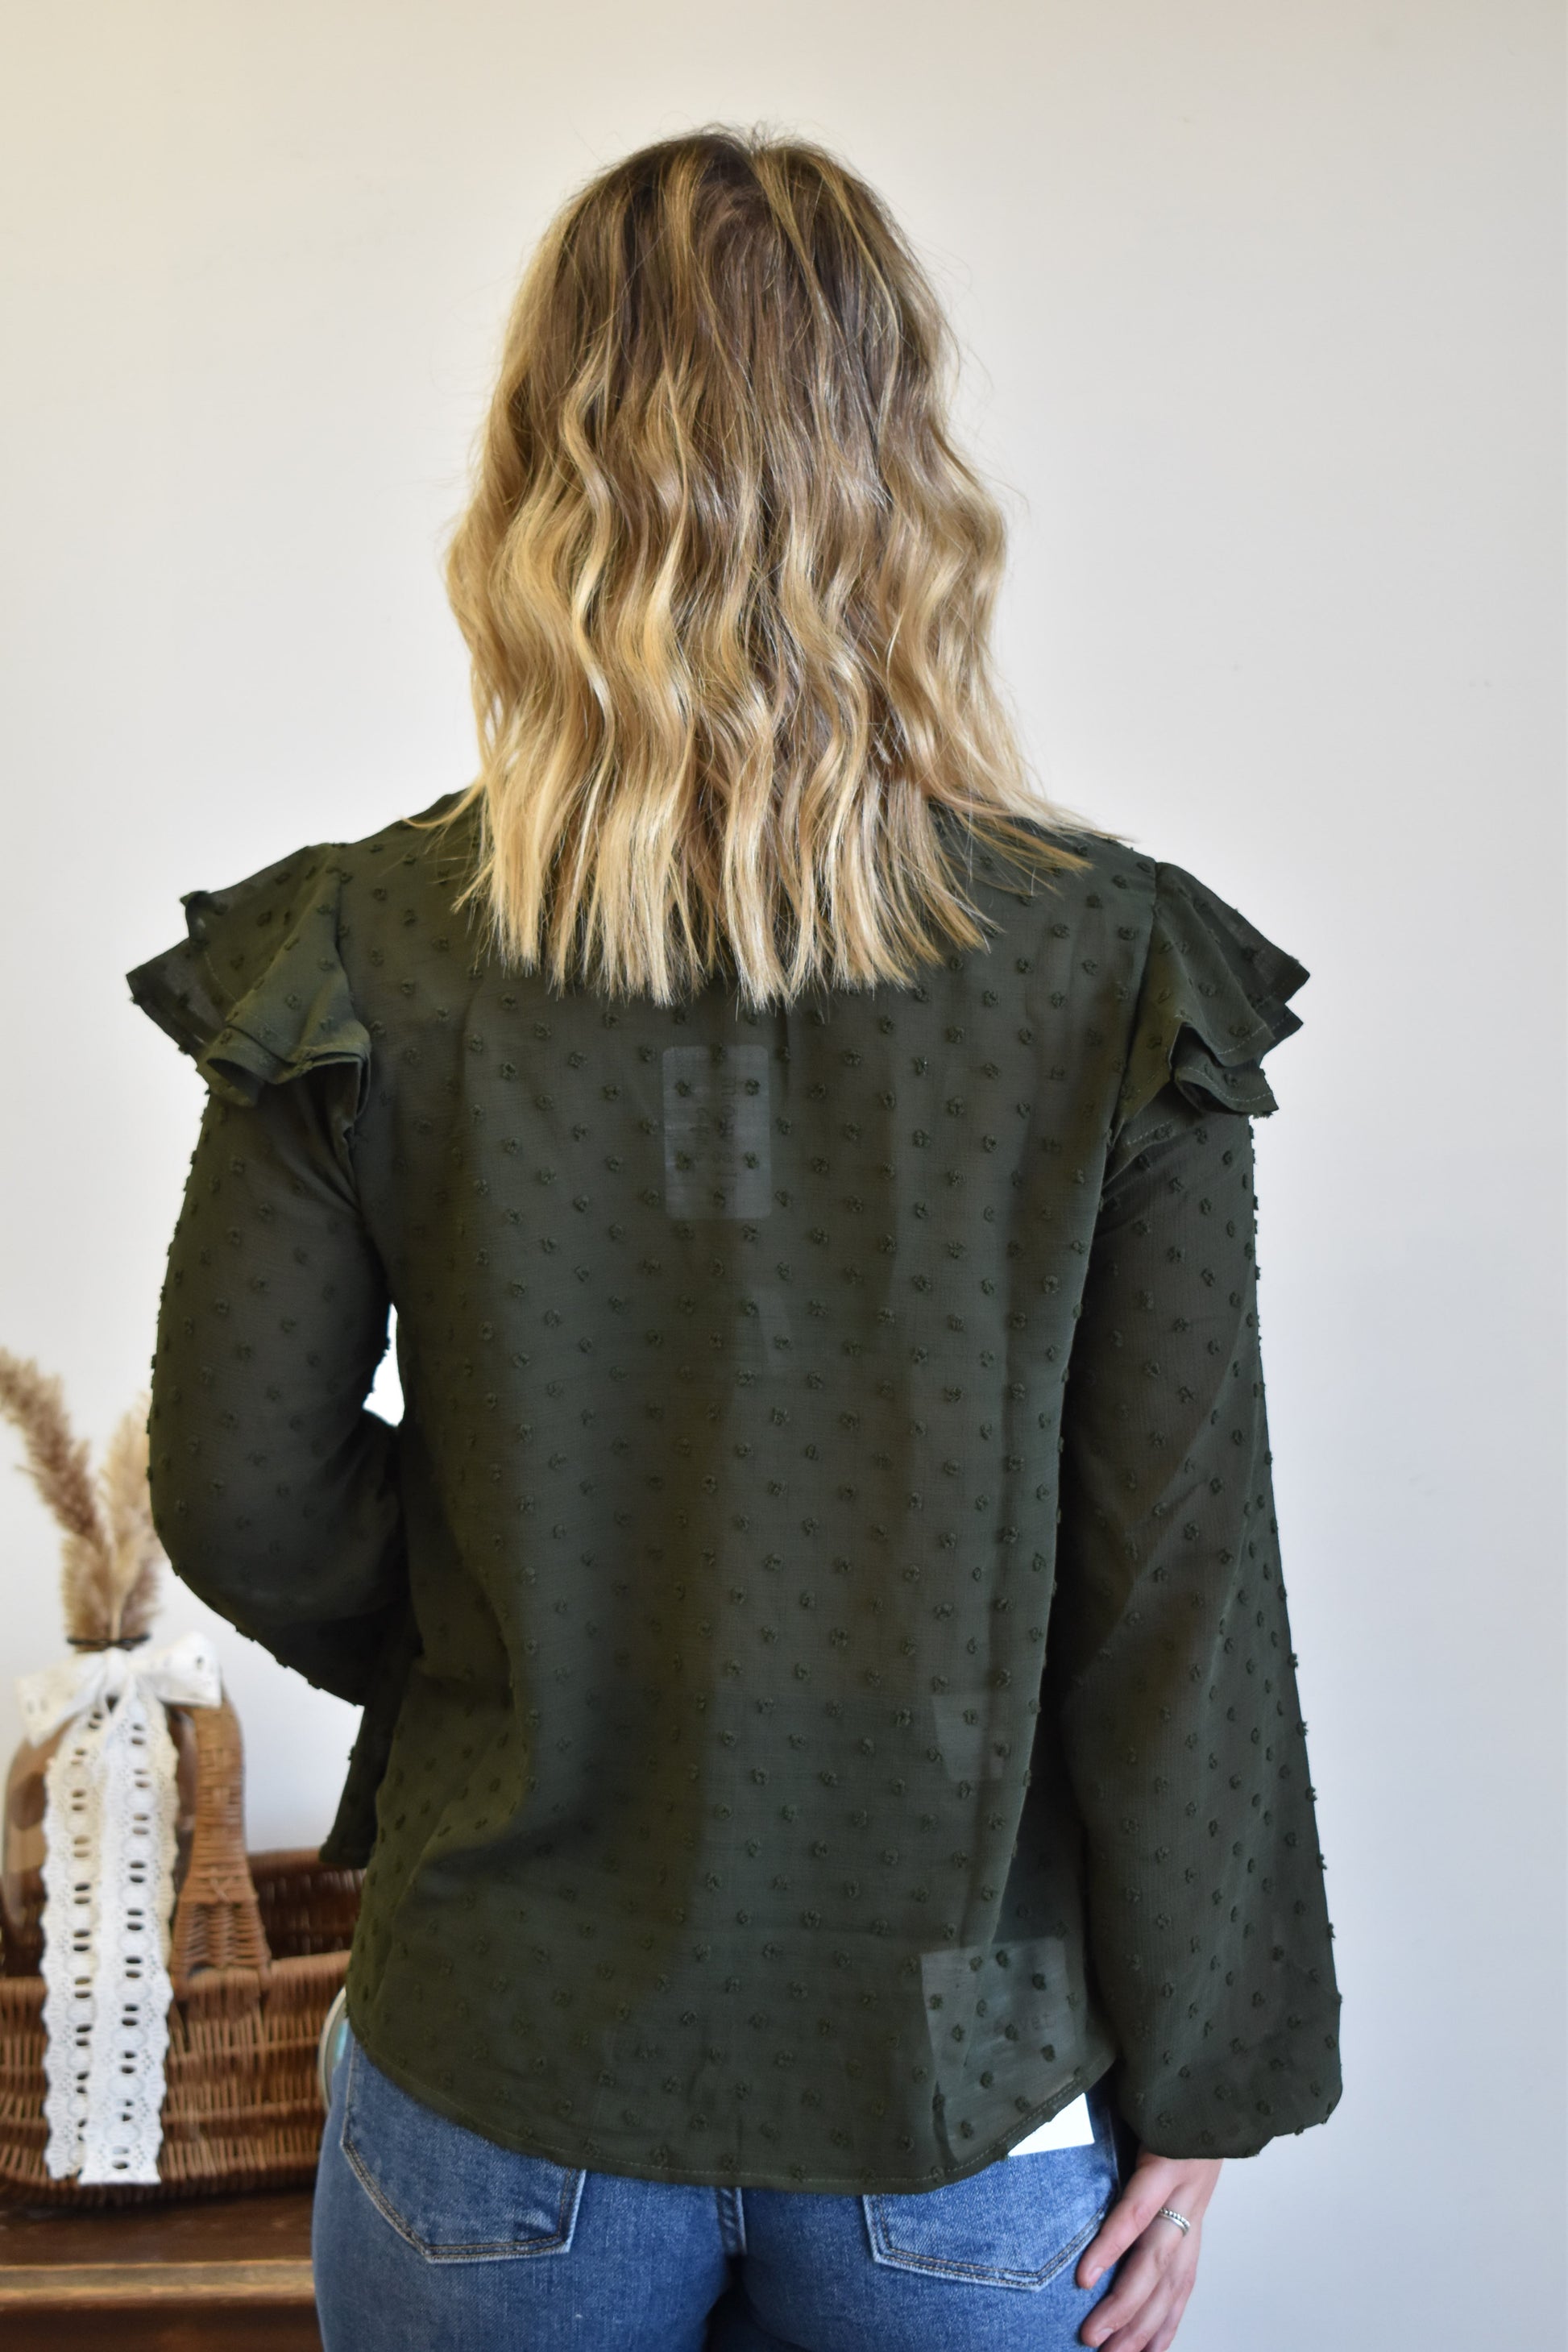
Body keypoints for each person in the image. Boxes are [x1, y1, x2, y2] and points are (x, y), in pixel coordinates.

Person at [128, 127, 1341, 2352]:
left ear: (534, 477)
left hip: (505, 2051)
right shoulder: (1108, 972)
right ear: (901, 475)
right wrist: (1205, 2068)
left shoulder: (367, 951)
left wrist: (516, 1639)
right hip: (949, 2077)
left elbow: (233, 1484)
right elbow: (1173, 1577)